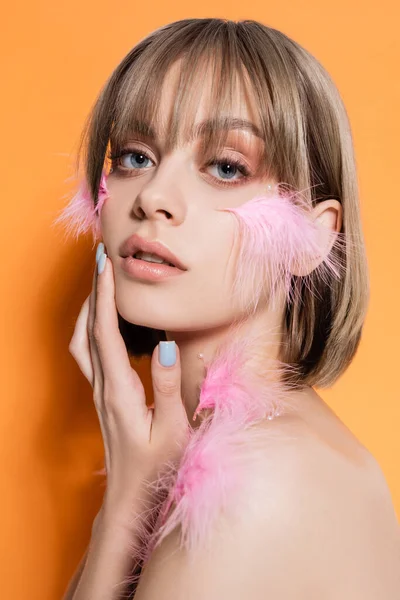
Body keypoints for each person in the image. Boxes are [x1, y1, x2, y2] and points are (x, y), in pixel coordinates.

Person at [56, 18, 400, 599]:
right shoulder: (229, 449)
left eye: (225, 168)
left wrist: (122, 515)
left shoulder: (257, 477)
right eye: (136, 157)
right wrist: (130, 499)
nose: (154, 198)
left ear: (315, 238)